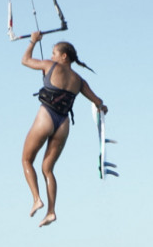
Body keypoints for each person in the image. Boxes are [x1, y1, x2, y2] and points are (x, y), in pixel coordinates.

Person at [21, 30, 107, 227]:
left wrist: (33, 42)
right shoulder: (79, 80)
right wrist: (103, 107)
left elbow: (25, 60)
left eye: (54, 53)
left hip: (46, 117)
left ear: (63, 56)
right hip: (63, 124)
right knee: (48, 169)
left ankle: (36, 199)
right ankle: (51, 211)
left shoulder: (50, 66)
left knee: (26, 160)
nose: (51, 57)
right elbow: (97, 101)